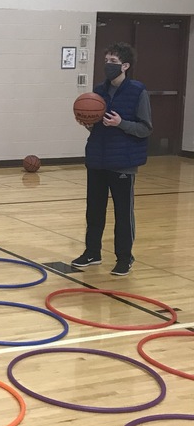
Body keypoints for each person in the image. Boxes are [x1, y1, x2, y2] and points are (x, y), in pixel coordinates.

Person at [71, 43, 152, 277]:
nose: (109, 65)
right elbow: (98, 125)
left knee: (123, 213)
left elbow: (146, 128)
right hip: (97, 158)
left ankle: (125, 258)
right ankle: (92, 253)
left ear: (125, 66)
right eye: (107, 60)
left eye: (114, 62)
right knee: (94, 210)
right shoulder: (99, 90)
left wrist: (121, 123)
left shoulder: (138, 91)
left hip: (123, 162)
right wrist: (89, 123)